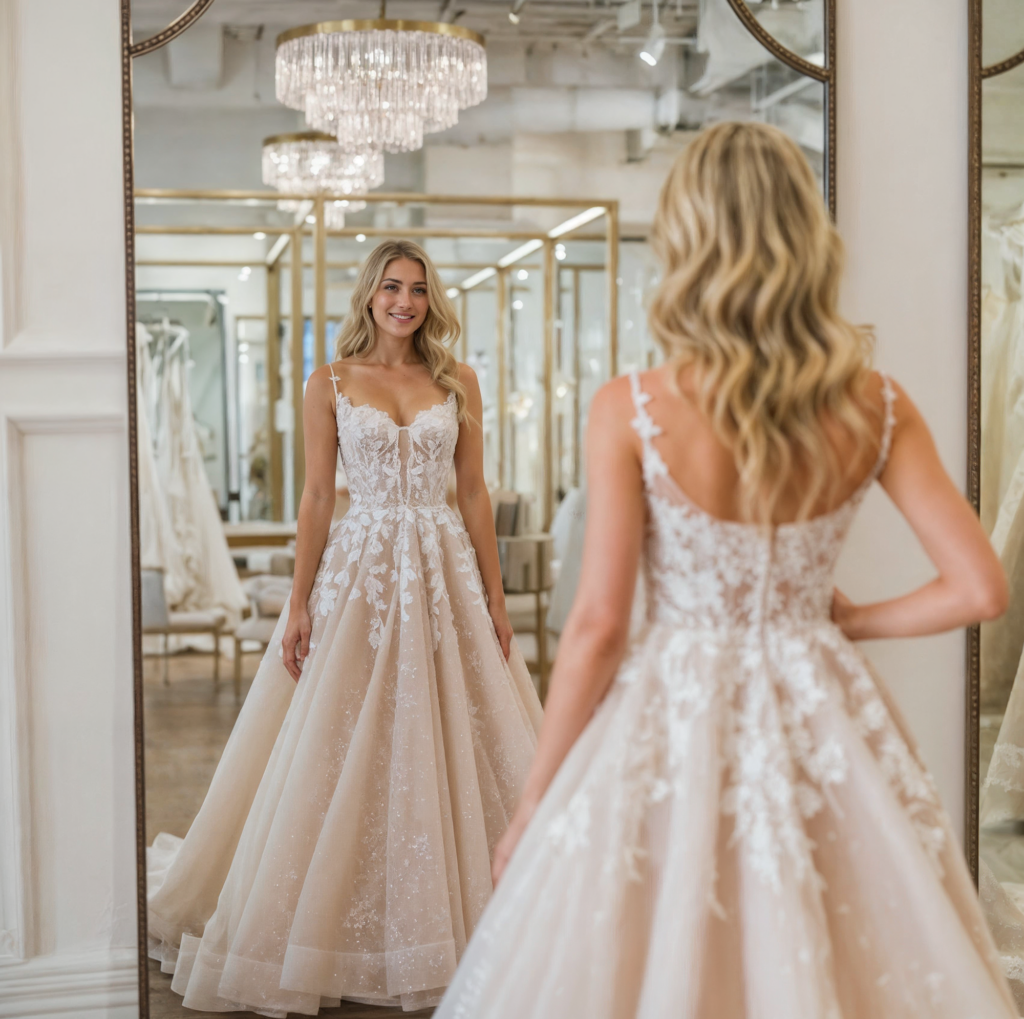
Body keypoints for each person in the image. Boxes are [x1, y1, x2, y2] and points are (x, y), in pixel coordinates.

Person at [433, 122, 1018, 1019]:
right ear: (804, 240)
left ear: (687, 240)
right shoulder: (878, 402)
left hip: (672, 711)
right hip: (822, 712)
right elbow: (980, 588)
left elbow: (593, 629)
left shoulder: (631, 408)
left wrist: (534, 802)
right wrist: (848, 624)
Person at [146, 239, 543, 1015]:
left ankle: (453, 917)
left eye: (418, 290)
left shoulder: (459, 380)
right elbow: (319, 497)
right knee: (343, 735)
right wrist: (298, 601)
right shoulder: (327, 382)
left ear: (432, 301)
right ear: (368, 295)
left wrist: (496, 597)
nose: (404, 301)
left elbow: (472, 491)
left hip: (444, 573)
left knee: (452, 736)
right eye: (391, 287)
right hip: (360, 572)